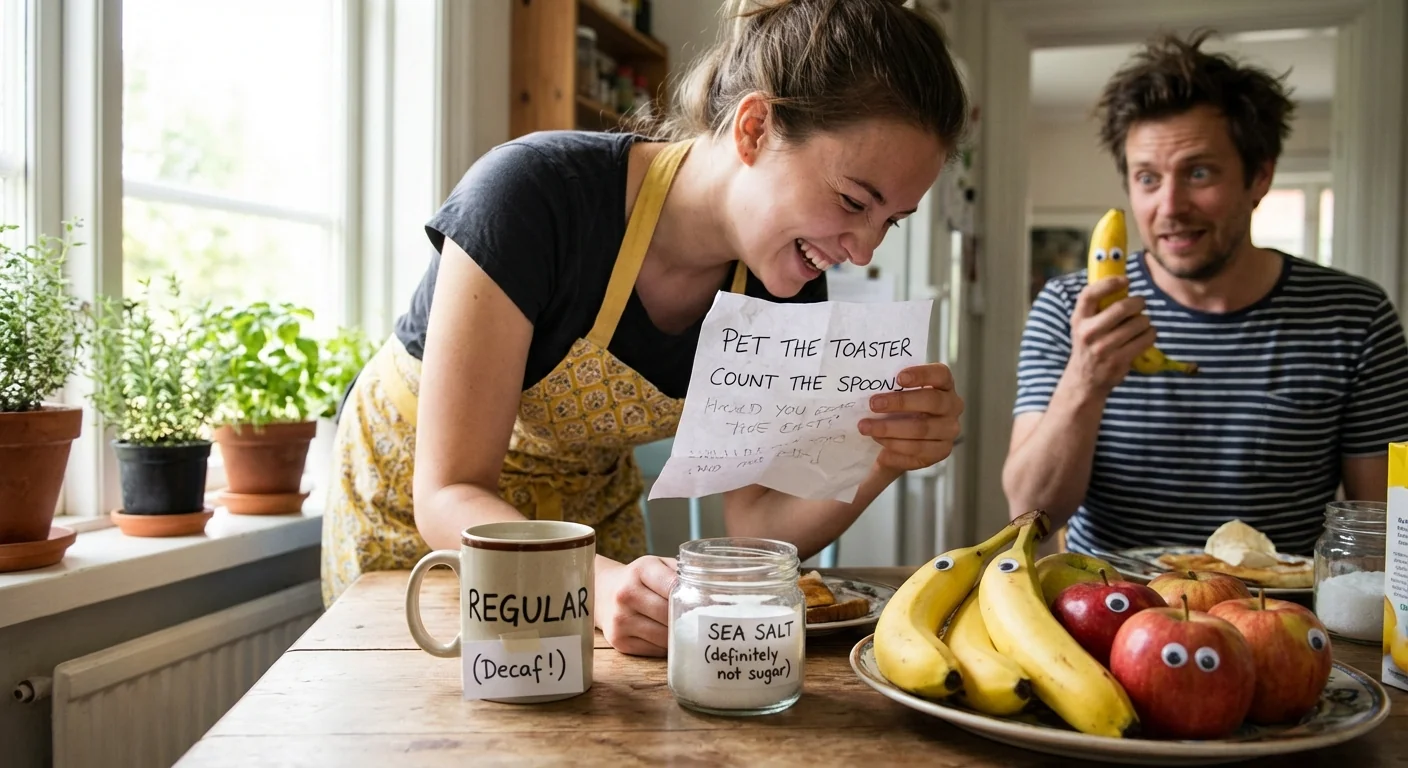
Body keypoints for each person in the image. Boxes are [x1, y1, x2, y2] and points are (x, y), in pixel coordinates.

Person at [321, 0, 970, 656]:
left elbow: (754, 529)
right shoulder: (532, 198)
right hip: (423, 520)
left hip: (587, 521)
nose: (862, 250)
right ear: (754, 128)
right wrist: (589, 584)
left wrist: (886, 456)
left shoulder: (786, 289)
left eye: (889, 221)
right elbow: (449, 490)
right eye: (854, 201)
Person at [1003, 30, 1408, 556]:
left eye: (1198, 172)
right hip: (1104, 616)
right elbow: (1028, 515)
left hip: (1278, 619)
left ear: (1259, 176)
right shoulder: (1069, 307)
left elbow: (1384, 531)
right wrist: (1086, 378)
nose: (1169, 206)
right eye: (1148, 178)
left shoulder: (1355, 316)